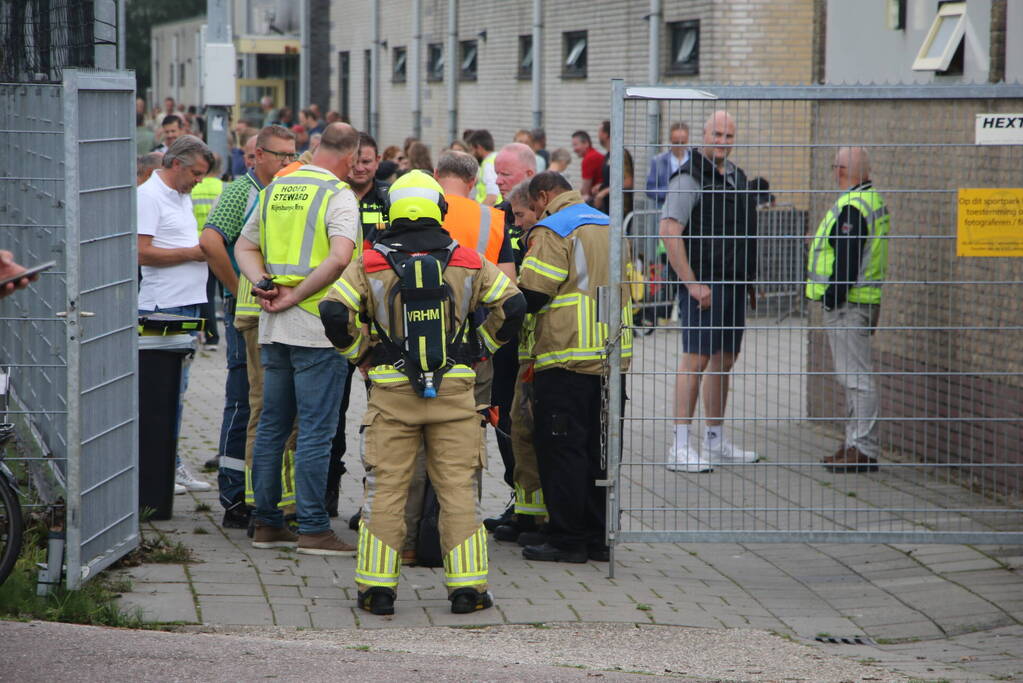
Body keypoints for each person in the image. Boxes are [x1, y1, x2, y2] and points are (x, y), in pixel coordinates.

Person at [318, 170, 525, 615]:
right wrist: (479, 349)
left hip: (391, 395)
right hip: (455, 393)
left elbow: (333, 312)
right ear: (440, 209)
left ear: (393, 210)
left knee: (386, 491)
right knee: (458, 492)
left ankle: (377, 590)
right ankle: (467, 590)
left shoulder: (369, 262)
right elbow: (514, 305)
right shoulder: (467, 260)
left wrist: (363, 356)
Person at [234, 122, 360, 555]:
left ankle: (266, 523)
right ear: (348, 158)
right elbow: (341, 257)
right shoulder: (337, 194)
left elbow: (243, 247)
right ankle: (312, 528)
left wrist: (264, 283)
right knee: (314, 432)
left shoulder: (275, 190)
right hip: (317, 329)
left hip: (273, 327)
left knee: (272, 425)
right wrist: (297, 296)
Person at [517, 171, 632, 563]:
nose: (535, 214)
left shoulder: (555, 228)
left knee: (563, 450)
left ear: (544, 196)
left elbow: (533, 292)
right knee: (601, 452)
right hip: (613, 358)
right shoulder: (611, 225)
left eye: (534, 207)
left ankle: (567, 540)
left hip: (566, 358)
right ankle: (599, 537)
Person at [201, 125, 298, 528]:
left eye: (293, 154)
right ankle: (233, 493)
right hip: (247, 316)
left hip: (272, 316)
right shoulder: (243, 192)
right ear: (256, 155)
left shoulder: (288, 191)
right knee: (243, 402)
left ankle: (261, 492)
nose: (288, 162)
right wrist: (238, 285)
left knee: (267, 407)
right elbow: (210, 241)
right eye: (280, 155)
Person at [658, 110, 760, 473]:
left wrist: (747, 282)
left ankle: (715, 441)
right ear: (704, 135)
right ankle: (680, 446)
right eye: (717, 134)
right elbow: (669, 231)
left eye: (729, 136)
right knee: (696, 360)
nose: (723, 141)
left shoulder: (737, 178)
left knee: (724, 360)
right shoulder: (689, 179)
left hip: (732, 284)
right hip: (702, 284)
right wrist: (691, 283)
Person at [137, 135, 215, 495]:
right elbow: (142, 253)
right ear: (176, 164)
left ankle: (169, 462)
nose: (199, 180)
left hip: (184, 305)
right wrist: (191, 254)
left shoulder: (179, 195)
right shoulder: (149, 197)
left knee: (176, 391)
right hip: (161, 308)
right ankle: (163, 466)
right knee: (164, 392)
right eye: (196, 173)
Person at [807, 147, 889, 473]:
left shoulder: (853, 207)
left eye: (835, 167)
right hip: (860, 302)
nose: (833, 172)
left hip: (848, 305)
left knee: (858, 379)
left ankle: (863, 449)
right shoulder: (869, 200)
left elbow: (847, 260)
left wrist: (831, 297)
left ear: (841, 170)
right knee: (852, 378)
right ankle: (853, 443)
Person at [492, 180, 546, 544]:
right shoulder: (500, 219)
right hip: (509, 343)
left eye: (505, 174)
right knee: (511, 424)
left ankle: (537, 512)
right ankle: (523, 508)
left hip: (540, 348)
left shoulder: (547, 233)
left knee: (531, 428)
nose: (498, 180)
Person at [191, 154, 225, 351]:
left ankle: (211, 337)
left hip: (199, 246)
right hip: (220, 245)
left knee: (207, 294)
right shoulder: (223, 188)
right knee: (227, 293)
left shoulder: (196, 187)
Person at [593, 120, 634, 216]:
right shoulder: (608, 155)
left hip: (620, 207)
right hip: (609, 206)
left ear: (606, 134)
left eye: (600, 132)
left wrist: (604, 192)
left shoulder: (621, 154)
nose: (598, 135)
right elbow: (612, 179)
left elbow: (628, 182)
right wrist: (601, 186)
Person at [646, 122, 691, 206]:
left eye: (682, 143)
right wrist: (670, 192)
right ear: (670, 141)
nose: (679, 146)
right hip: (665, 210)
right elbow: (649, 189)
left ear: (687, 140)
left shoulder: (695, 160)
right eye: (676, 143)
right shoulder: (658, 161)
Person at [467, 130, 501, 206]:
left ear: (479, 148)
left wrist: (479, 215)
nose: (471, 154)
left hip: (491, 212)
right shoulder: (495, 159)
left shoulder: (488, 165)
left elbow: (492, 197)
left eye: (472, 150)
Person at [571, 130, 604, 204]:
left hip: (600, 200)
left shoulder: (589, 158)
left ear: (586, 143)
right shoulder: (595, 154)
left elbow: (585, 192)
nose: (574, 149)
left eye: (576, 145)